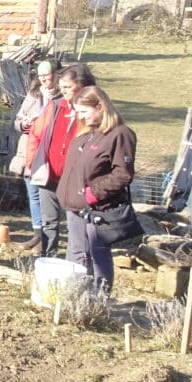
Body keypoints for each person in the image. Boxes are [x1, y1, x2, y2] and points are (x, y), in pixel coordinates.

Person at [56, 86, 136, 294]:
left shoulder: (120, 135)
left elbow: (123, 174)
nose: (79, 116)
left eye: (83, 111)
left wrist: (92, 194)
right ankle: (73, 296)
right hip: (75, 206)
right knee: (76, 252)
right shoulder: (86, 135)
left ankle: (99, 300)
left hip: (98, 208)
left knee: (97, 254)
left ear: (100, 106)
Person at [26, 64, 97, 257]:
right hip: (49, 173)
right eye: (62, 86)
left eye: (67, 87)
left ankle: (75, 262)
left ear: (82, 86)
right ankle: (48, 258)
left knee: (75, 223)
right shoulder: (56, 105)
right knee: (49, 220)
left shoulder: (92, 110)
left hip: (75, 179)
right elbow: (36, 132)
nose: (62, 90)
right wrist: (32, 162)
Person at [8, 60, 60, 254]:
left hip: (48, 152)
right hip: (30, 149)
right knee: (33, 196)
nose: (44, 79)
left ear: (56, 75)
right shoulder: (33, 95)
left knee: (46, 196)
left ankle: (48, 238)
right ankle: (37, 235)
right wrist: (24, 124)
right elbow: (19, 119)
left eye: (47, 76)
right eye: (41, 76)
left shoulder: (62, 97)